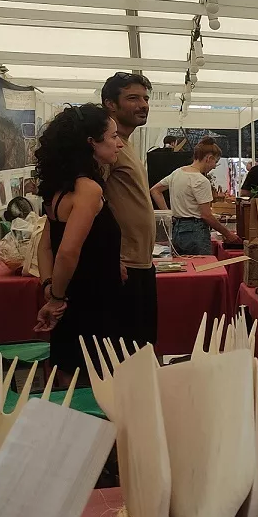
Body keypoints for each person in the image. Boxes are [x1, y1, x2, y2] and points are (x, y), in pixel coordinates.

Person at [33, 105, 125, 380]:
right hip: (92, 304)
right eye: (113, 136)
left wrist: (49, 286)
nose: (119, 143)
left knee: (70, 378)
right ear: (91, 142)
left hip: (74, 300)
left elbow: (45, 246)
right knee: (94, 382)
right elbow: (67, 251)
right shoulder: (88, 189)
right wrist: (56, 299)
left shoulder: (59, 189)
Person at [101, 71, 157, 347]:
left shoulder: (126, 144)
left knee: (143, 347)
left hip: (141, 261)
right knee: (125, 353)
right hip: (123, 264)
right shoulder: (107, 146)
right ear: (110, 104)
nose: (143, 104)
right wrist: (109, 256)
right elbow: (93, 203)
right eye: (133, 98)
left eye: (145, 98)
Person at [150, 139, 240, 255]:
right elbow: (206, 215)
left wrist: (168, 214)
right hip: (196, 232)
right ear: (209, 158)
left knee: (183, 264)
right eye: (215, 162)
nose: (214, 167)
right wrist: (228, 234)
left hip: (177, 230)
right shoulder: (201, 180)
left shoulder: (177, 173)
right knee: (203, 264)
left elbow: (155, 190)